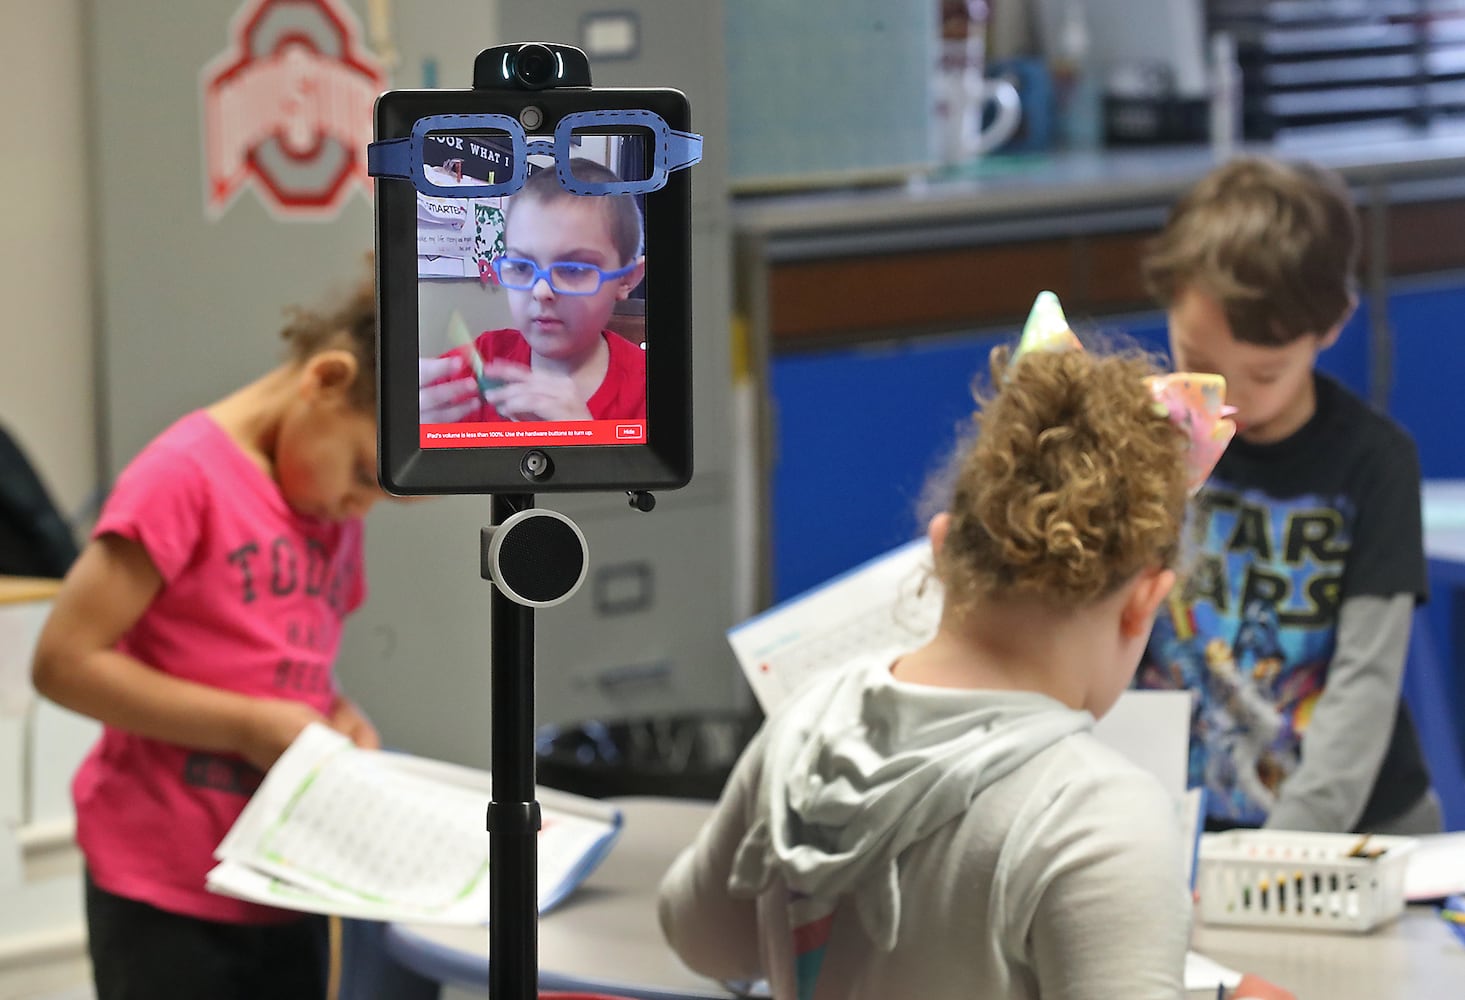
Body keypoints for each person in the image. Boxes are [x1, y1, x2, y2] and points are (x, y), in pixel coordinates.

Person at [658, 303, 1228, 999]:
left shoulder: (806, 725)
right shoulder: (1097, 817)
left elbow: (702, 938)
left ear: (941, 547)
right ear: (1145, 600)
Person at [31, 260, 387, 1000]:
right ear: (324, 381)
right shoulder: (183, 476)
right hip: (164, 888)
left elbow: (289, 658)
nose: (360, 507)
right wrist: (247, 727)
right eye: (359, 471)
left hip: (282, 880)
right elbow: (64, 661)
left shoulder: (324, 506)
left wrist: (339, 715)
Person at [1135, 155, 1440, 835]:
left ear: (1329, 328)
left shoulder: (1373, 465)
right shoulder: (1147, 438)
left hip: (1353, 833)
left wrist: (1282, 854)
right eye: (1197, 359)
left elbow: (1362, 686)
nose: (1225, 396)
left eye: (1262, 373)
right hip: (1183, 829)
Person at [418, 158, 646, 424]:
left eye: (573, 269)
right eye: (521, 266)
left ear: (626, 279)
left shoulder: (653, 391)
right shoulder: (474, 367)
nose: (540, 291)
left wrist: (584, 438)